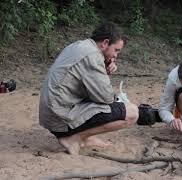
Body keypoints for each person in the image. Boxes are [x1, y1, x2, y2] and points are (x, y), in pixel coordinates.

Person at [39, 21, 139, 155]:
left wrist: (106, 65)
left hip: (50, 113)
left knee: (98, 101)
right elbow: (106, 97)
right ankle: (74, 139)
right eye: (116, 50)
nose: (116, 56)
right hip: (60, 118)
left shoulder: (80, 45)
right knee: (132, 113)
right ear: (105, 43)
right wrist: (106, 73)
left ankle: (87, 138)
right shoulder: (92, 57)